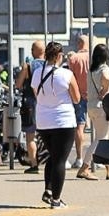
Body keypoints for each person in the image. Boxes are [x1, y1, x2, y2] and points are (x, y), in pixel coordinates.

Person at [31, 40, 82, 207]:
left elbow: (36, 94)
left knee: (53, 157)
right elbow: (76, 98)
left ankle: (48, 190)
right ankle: (56, 199)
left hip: (43, 121)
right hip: (63, 121)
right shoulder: (66, 74)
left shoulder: (37, 72)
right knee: (60, 160)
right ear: (59, 56)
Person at [80, 43, 109, 180]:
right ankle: (84, 167)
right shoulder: (104, 69)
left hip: (91, 106)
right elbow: (107, 80)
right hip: (102, 106)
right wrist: (104, 91)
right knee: (99, 139)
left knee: (104, 138)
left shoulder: (91, 70)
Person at [16, 41, 43, 173]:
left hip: (30, 103)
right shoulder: (50, 66)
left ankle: (34, 164)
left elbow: (19, 84)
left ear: (33, 51)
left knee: (30, 136)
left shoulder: (28, 66)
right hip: (47, 103)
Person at [67, 33, 90, 169]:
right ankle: (94, 159)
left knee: (79, 127)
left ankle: (80, 158)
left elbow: (71, 78)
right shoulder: (93, 57)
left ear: (79, 44)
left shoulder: (74, 58)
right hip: (93, 96)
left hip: (78, 96)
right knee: (98, 129)